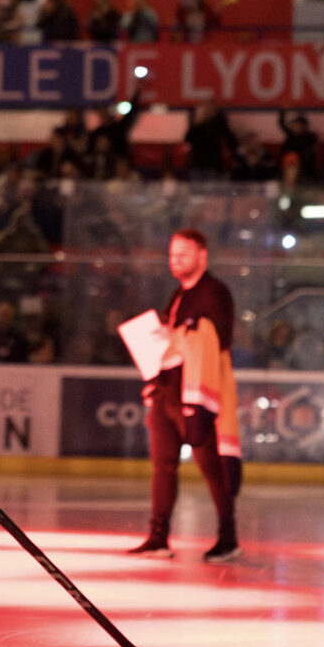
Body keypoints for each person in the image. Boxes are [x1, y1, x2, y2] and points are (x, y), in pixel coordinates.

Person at [131, 229, 242, 563]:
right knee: (162, 466)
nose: (174, 260)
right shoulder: (178, 294)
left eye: (182, 254)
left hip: (196, 395)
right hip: (168, 393)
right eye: (171, 254)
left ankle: (228, 537)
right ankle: (158, 536)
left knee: (213, 467)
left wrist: (175, 334)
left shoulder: (215, 292)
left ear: (202, 257)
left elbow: (213, 339)